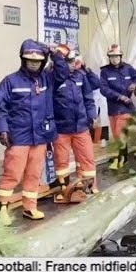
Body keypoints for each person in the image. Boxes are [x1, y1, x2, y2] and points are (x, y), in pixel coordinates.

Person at [0, 39, 68, 226]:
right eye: (29, 60)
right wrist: (2, 129)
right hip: (19, 136)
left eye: (38, 60)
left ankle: (30, 207)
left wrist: (56, 54)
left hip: (41, 135)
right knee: (13, 173)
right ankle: (2, 207)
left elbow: (64, 73)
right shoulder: (10, 81)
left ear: (43, 61)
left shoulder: (47, 79)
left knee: (34, 173)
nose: (34, 63)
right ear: (23, 60)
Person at [52, 46, 99, 203]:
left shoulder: (80, 76)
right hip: (61, 129)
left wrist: (92, 115)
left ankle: (88, 187)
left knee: (87, 158)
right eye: (70, 62)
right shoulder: (52, 78)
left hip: (81, 127)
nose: (74, 64)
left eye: (74, 61)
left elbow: (88, 97)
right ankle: (64, 190)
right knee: (62, 161)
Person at [99, 44, 136, 170]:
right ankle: (124, 157)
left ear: (120, 57)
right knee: (117, 135)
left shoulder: (128, 68)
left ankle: (121, 159)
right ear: (109, 58)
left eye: (116, 56)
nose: (114, 59)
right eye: (112, 57)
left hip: (126, 107)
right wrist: (119, 96)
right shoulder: (105, 71)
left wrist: (135, 83)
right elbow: (103, 89)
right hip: (113, 107)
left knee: (119, 133)